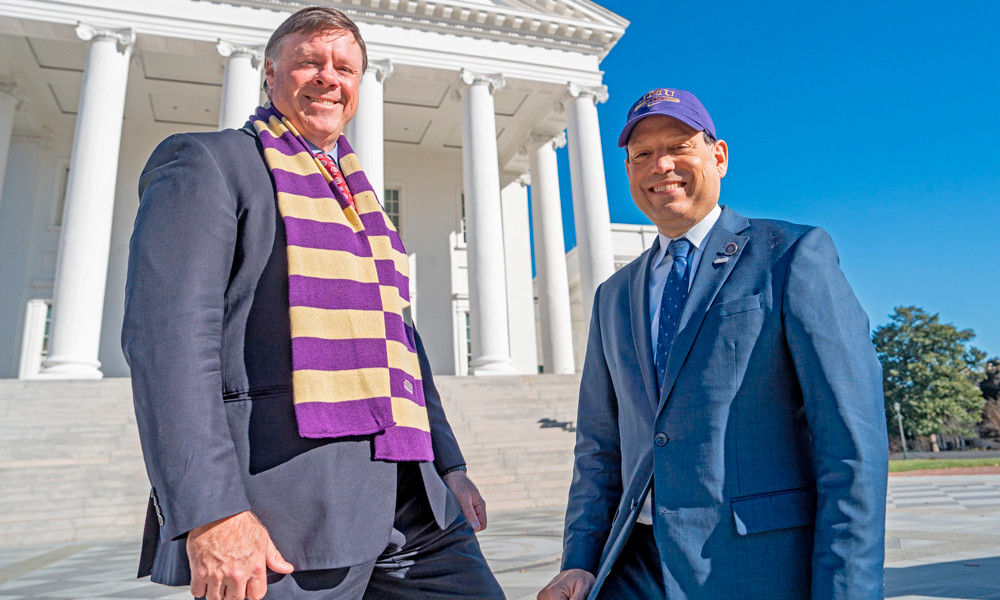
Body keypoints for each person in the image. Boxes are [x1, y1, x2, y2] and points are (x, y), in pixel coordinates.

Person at [122, 7, 505, 600]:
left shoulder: (362, 205)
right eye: (309, 62)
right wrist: (211, 512)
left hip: (416, 506)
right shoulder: (211, 164)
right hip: (288, 518)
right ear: (270, 74)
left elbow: (403, 346)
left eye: (345, 67)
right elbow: (167, 342)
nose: (329, 77)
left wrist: (448, 466)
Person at [537, 88, 888, 600]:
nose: (661, 165)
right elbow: (599, 448)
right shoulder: (613, 296)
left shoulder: (790, 256)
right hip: (635, 567)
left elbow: (850, 444)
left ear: (718, 156)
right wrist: (579, 563)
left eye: (679, 145)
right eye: (642, 155)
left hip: (755, 566)